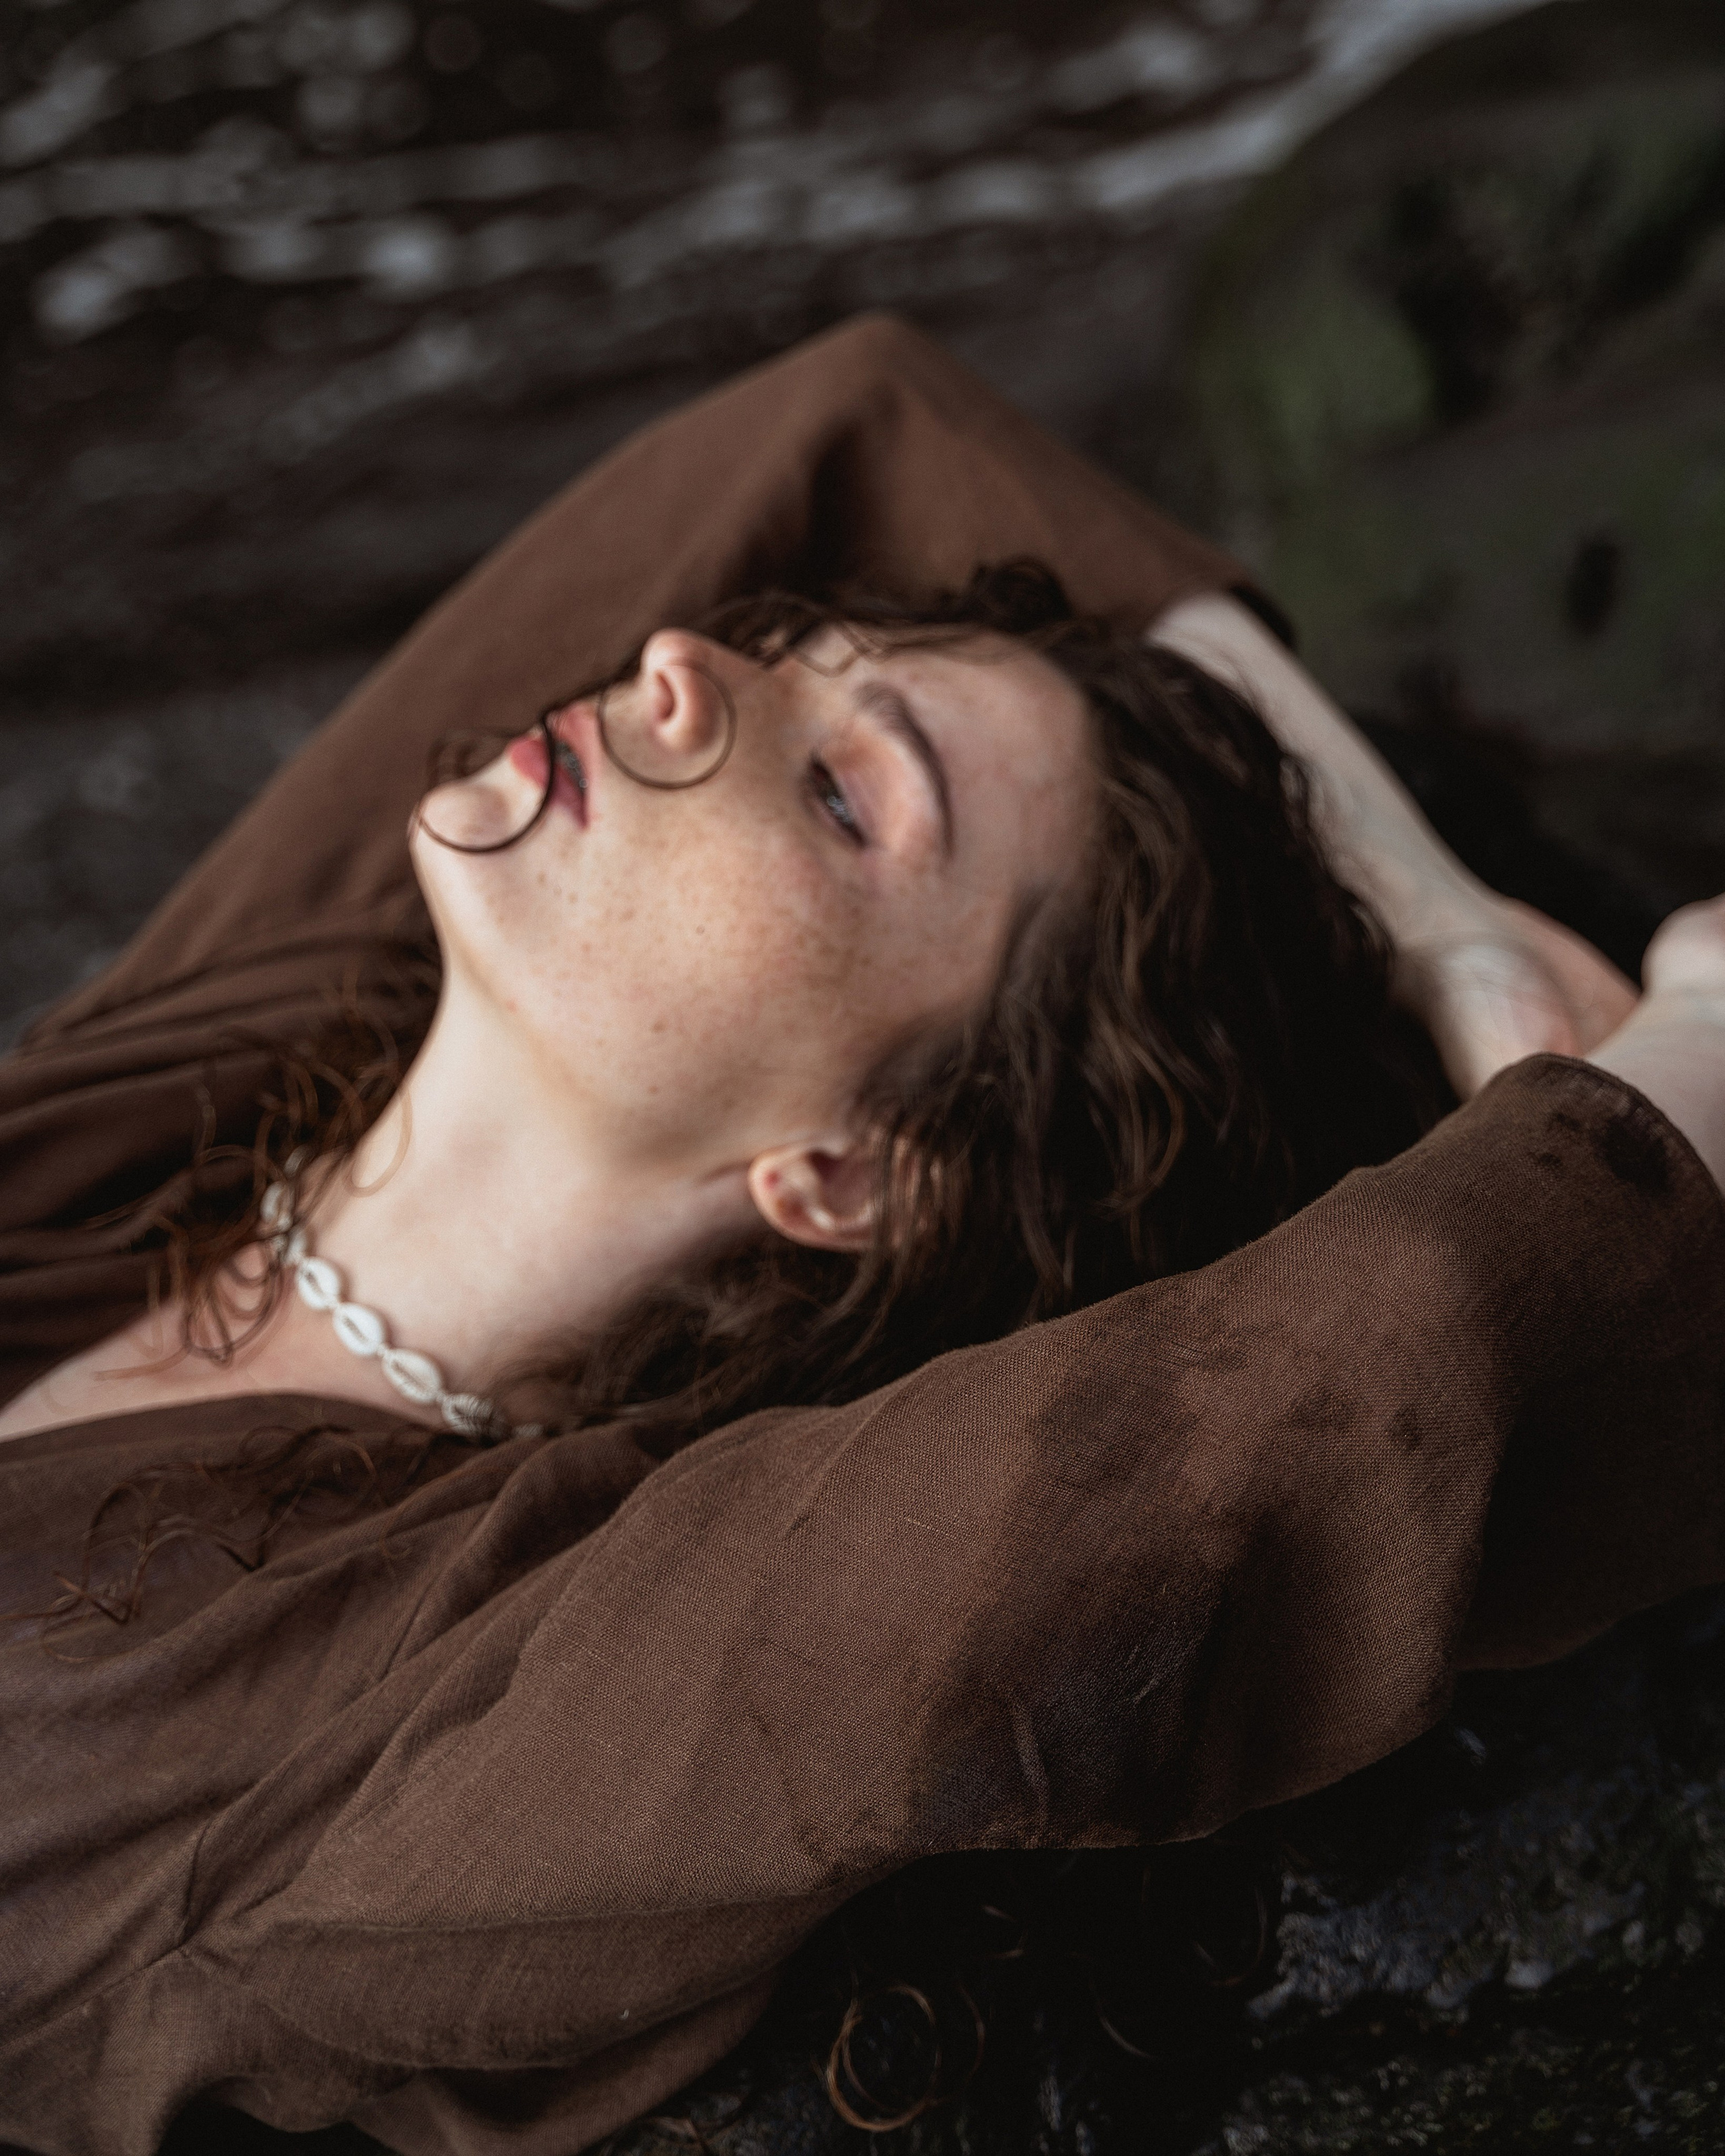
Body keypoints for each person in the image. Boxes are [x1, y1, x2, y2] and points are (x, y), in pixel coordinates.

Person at [1, 315, 1720, 2155]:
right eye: (775, 651)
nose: (677, 664)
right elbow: (860, 419)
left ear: (860, 1172)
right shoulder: (187, 1090)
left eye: (839, 795)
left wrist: (1693, 1035)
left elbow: (1252, 1436)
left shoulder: (489, 1672)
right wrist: (1444, 921)